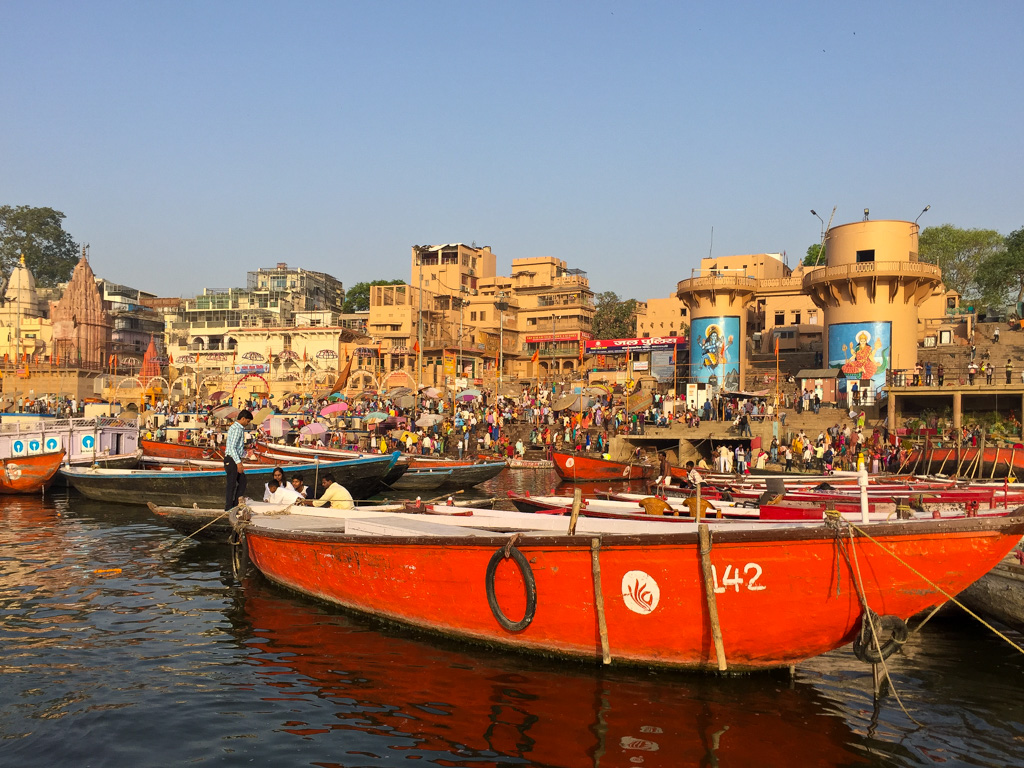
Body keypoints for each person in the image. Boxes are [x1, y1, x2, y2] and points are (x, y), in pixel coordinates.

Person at [223, 409, 253, 510]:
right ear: (243, 419)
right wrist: (238, 462)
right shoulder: (237, 429)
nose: (247, 424)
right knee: (232, 484)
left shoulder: (237, 428)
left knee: (241, 482)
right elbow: (232, 447)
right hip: (232, 459)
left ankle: (235, 504)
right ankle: (229, 507)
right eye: (247, 421)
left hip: (234, 458)